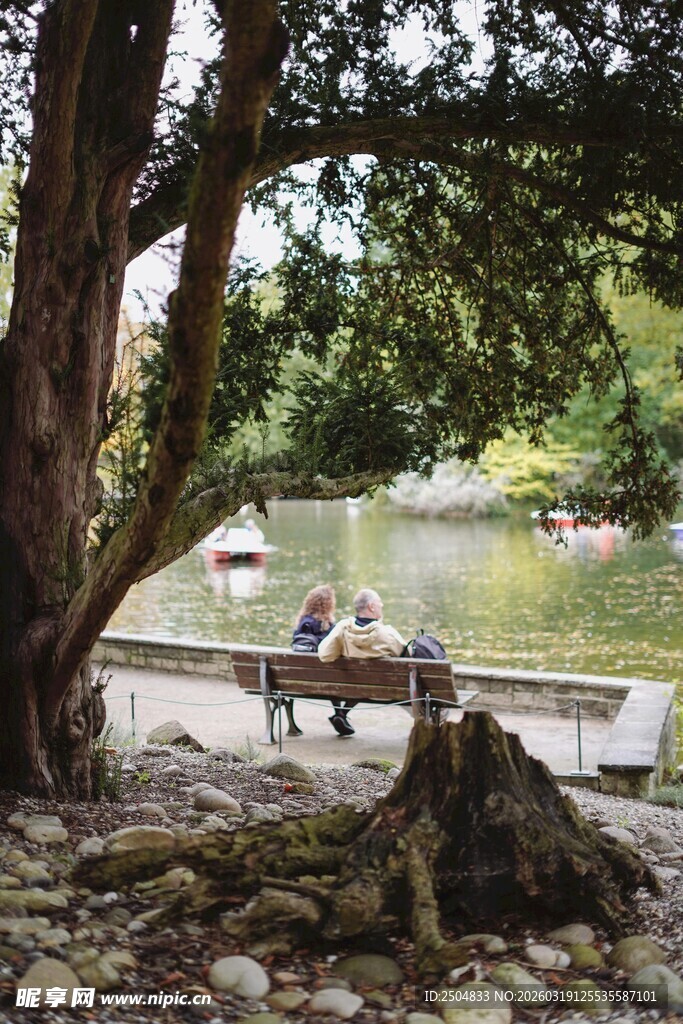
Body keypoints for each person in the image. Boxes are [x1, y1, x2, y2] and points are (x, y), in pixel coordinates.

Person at [318, 588, 406, 736]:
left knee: (344, 674)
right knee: (366, 681)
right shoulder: (387, 633)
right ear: (371, 606)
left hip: (347, 684)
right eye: (379, 602)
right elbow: (406, 656)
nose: (382, 605)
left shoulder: (341, 628)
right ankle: (342, 714)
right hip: (378, 688)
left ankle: (340, 713)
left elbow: (324, 655)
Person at [292, 585, 355, 736]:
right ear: (329, 604)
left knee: (330, 676)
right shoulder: (328, 627)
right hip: (328, 680)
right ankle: (341, 714)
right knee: (338, 677)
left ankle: (340, 715)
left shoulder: (302, 623)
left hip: (298, 679)